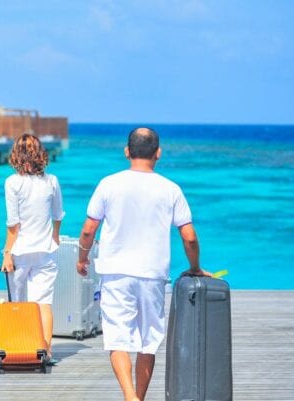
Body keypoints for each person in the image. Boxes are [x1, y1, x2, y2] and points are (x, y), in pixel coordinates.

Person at [76, 127, 211, 401]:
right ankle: (138, 396)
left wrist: (82, 258)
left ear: (127, 152)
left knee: (117, 339)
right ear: (158, 153)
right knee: (148, 342)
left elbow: (89, 230)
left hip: (116, 273)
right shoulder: (171, 189)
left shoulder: (108, 184)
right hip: (153, 274)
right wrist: (195, 267)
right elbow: (189, 237)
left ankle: (129, 397)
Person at [1, 133, 65, 357]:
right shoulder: (52, 181)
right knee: (43, 303)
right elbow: (58, 214)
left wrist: (7, 253)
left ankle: (20, 348)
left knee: (18, 303)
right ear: (40, 154)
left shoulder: (13, 182)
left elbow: (13, 224)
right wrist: (55, 237)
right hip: (46, 251)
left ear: (16, 155)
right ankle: (46, 351)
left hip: (20, 251)